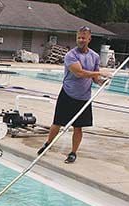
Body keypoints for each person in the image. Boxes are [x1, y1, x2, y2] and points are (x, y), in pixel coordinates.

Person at [37, 26, 110, 163]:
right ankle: (48, 144)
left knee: (78, 127)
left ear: (89, 39)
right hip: (68, 94)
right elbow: (80, 73)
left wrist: (101, 82)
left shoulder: (94, 56)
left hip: (84, 97)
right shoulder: (71, 55)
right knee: (57, 123)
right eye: (79, 38)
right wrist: (100, 73)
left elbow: (93, 78)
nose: (81, 40)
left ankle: (73, 153)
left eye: (84, 37)